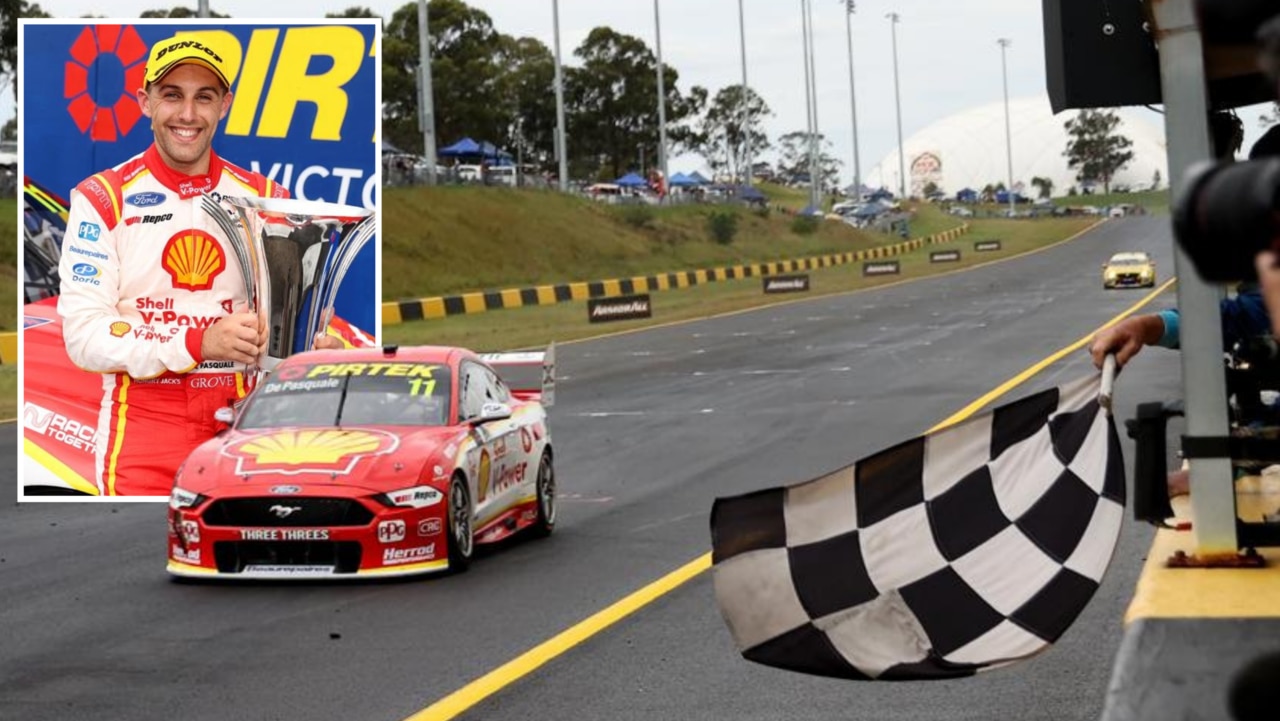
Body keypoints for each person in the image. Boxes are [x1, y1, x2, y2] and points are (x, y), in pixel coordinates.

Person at [57, 34, 359, 497]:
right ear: (145, 101)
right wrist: (198, 341)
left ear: (225, 105)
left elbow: (305, 315)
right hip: (144, 424)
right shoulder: (103, 197)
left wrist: (325, 346)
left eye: (205, 97)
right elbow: (85, 335)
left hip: (251, 419)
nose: (188, 115)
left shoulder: (267, 198)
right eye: (172, 95)